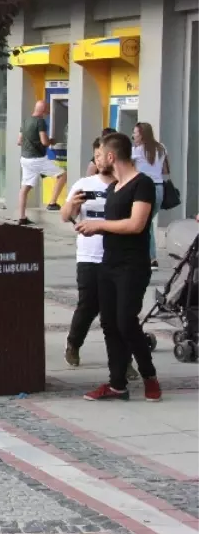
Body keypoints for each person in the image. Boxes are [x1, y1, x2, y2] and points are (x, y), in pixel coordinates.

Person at [76, 132, 161, 402]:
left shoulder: (142, 184)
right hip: (107, 264)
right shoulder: (114, 188)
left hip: (132, 266)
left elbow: (136, 225)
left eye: (100, 154)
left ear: (112, 156)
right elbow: (112, 225)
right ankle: (117, 384)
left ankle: (149, 376)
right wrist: (89, 226)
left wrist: (99, 226)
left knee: (126, 321)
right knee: (110, 324)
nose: (97, 159)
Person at [61, 137, 122, 370]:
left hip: (116, 255)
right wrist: (72, 205)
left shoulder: (124, 184)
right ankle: (74, 343)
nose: (99, 160)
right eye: (95, 156)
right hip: (88, 254)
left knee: (115, 311)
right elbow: (65, 216)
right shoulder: (84, 184)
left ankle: (122, 361)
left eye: (102, 155)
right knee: (88, 305)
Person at [16, 100, 66, 223]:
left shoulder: (26, 120)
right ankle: (52, 202)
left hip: (25, 159)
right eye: (47, 108)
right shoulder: (40, 122)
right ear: (43, 110)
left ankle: (22, 217)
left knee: (24, 188)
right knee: (62, 175)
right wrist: (52, 141)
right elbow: (44, 142)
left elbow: (19, 141)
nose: (49, 111)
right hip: (37, 159)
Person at [131, 122, 169, 269]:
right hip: (159, 188)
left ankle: (151, 258)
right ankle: (148, 256)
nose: (133, 136)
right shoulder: (161, 148)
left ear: (143, 134)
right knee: (147, 222)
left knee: (144, 222)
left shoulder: (137, 150)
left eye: (136, 133)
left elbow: (130, 169)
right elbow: (165, 170)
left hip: (143, 188)